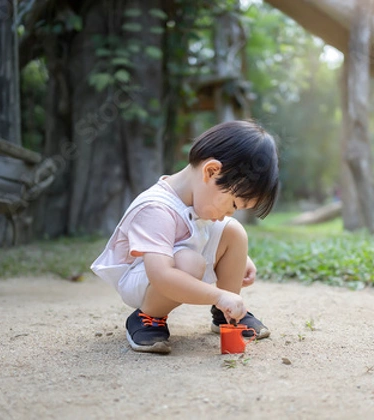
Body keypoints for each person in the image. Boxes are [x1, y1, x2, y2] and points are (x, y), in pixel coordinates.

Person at [91, 120, 279, 354]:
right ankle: (148, 317)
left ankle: (226, 316)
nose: (226, 215)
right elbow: (161, 275)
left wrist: (239, 257)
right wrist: (219, 294)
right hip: (143, 276)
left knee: (234, 231)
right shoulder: (156, 208)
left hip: (180, 259)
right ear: (211, 172)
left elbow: (204, 233)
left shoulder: (198, 198)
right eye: (232, 204)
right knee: (190, 262)